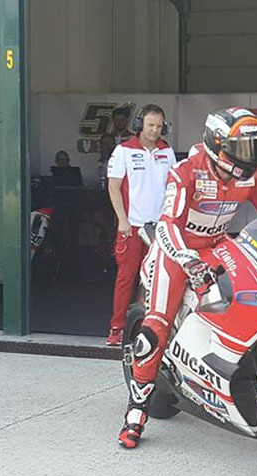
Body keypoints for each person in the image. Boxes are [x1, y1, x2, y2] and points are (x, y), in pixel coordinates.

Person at [118, 107, 257, 449]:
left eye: (254, 148)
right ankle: (136, 412)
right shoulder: (186, 171)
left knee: (252, 301)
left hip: (220, 246)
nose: (250, 157)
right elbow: (167, 225)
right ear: (218, 145)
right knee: (156, 327)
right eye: (242, 149)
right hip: (177, 251)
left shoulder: (252, 175)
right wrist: (187, 261)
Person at [105, 104, 175, 346]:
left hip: (159, 229)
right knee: (126, 278)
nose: (155, 130)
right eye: (150, 125)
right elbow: (113, 187)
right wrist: (122, 220)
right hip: (132, 227)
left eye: (159, 126)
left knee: (155, 281)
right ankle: (117, 328)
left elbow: (174, 188)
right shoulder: (122, 151)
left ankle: (146, 327)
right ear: (139, 126)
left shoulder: (168, 152)